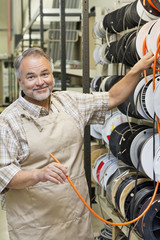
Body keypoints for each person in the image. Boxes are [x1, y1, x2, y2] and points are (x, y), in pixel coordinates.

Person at [0, 47, 155, 240]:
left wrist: (137, 69)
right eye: (31, 77)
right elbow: (3, 175)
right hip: (35, 225)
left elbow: (113, 97)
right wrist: (39, 174)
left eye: (45, 74)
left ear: (52, 75)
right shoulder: (8, 121)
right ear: (20, 81)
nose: (40, 82)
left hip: (75, 218)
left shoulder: (67, 102)